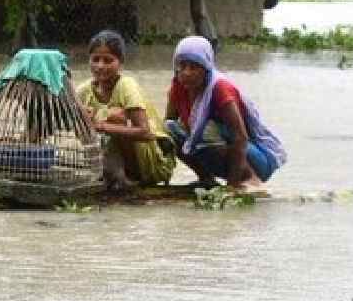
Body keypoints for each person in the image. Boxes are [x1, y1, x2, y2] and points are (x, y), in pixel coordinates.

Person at [165, 35, 286, 193]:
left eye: (194, 67)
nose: (187, 73)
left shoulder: (220, 89)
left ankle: (249, 179)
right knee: (168, 130)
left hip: (252, 159)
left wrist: (231, 187)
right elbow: (169, 124)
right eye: (182, 66)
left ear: (206, 68)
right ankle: (206, 179)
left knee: (206, 130)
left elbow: (240, 138)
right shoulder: (177, 88)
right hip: (217, 150)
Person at [75, 30, 175, 191]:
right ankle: (108, 174)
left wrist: (101, 126)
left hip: (151, 163)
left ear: (120, 62)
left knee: (115, 116)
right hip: (111, 159)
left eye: (108, 60)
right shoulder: (84, 90)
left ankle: (130, 178)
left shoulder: (126, 86)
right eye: (95, 60)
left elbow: (145, 132)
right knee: (83, 119)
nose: (100, 66)